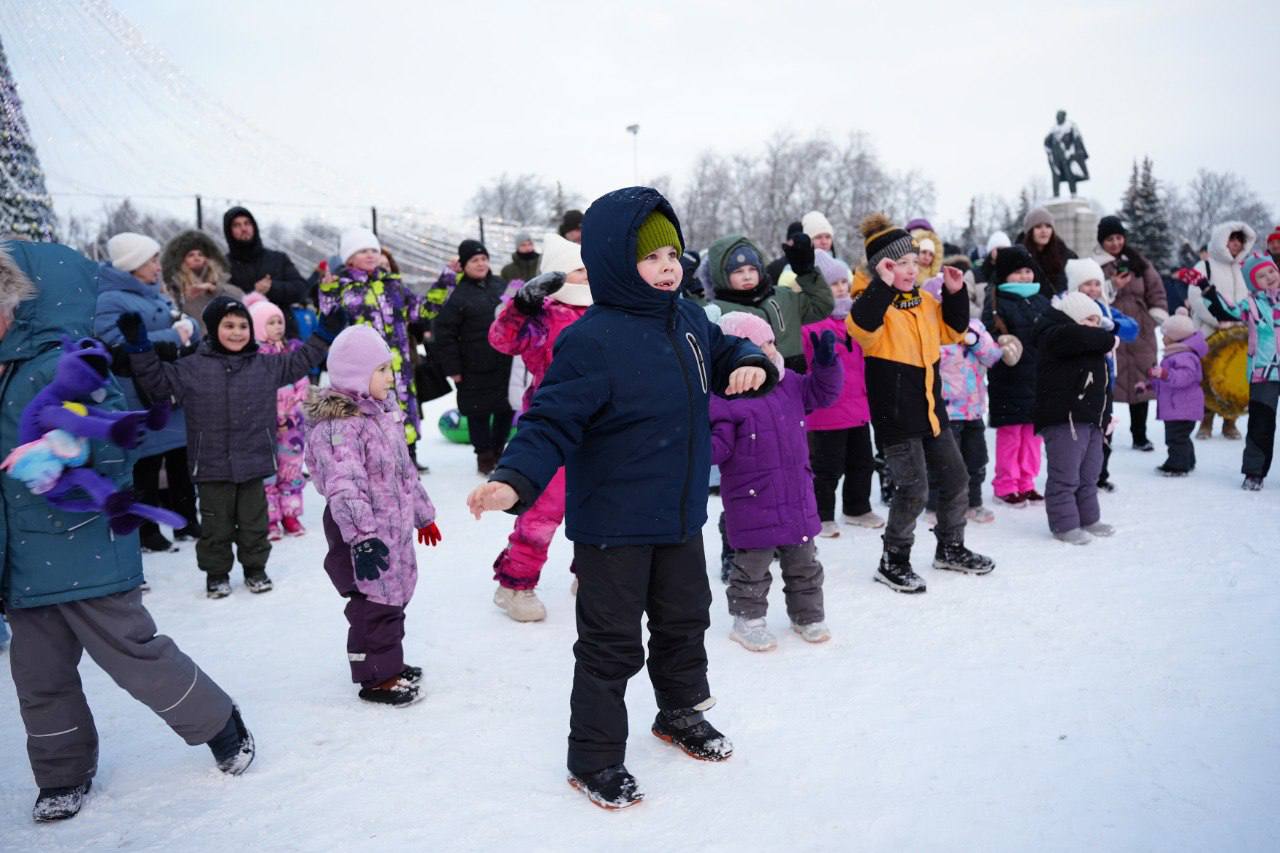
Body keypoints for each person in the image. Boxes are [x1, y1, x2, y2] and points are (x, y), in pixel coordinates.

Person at [466, 187, 776, 810]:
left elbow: (726, 350)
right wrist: (514, 479)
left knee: (685, 621)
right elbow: (550, 420)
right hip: (614, 526)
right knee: (610, 645)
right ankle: (596, 757)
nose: (668, 265)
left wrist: (750, 361)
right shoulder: (592, 339)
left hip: (681, 514)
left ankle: (680, 712)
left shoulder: (688, 317)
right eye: (650, 256)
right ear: (611, 260)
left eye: (673, 252)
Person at [1, 240, 254, 823]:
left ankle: (218, 721)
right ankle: (62, 773)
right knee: (39, 678)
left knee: (135, 657)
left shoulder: (65, 360)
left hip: (82, 544)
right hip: (20, 560)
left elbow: (120, 440)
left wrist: (67, 452)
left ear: (25, 303)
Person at [121, 296, 344, 597]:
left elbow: (299, 361)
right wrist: (140, 348)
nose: (237, 332)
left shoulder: (264, 366)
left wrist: (323, 336)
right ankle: (216, 574)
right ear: (213, 329)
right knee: (216, 528)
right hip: (211, 464)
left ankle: (255, 569)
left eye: (243, 326)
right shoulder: (192, 368)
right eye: (229, 326)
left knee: (254, 523)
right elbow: (158, 383)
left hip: (254, 461)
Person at [847, 212, 995, 594]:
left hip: (932, 411)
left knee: (956, 477)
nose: (911, 269)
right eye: (900, 264)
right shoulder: (872, 306)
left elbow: (953, 331)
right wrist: (880, 285)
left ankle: (950, 547)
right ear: (882, 268)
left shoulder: (925, 302)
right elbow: (861, 328)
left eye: (914, 261)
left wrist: (956, 292)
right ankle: (893, 559)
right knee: (913, 489)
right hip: (895, 417)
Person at [304, 325, 440, 706]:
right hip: (359, 531)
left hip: (391, 526)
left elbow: (403, 472)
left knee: (392, 596)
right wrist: (362, 538)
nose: (390, 377)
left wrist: (423, 514)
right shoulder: (338, 429)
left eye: (389, 368)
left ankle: (386, 663)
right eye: (380, 370)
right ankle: (377, 676)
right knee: (374, 602)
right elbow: (344, 486)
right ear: (354, 376)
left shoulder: (381, 416)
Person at [713, 312, 841, 651]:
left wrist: (826, 365)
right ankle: (747, 619)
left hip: (796, 493)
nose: (769, 350)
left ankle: (808, 615)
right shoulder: (726, 397)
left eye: (770, 341)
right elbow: (716, 448)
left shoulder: (790, 383)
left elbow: (823, 393)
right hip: (752, 499)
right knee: (752, 569)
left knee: (805, 563)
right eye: (757, 345)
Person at [486, 234, 592, 621]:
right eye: (581, 270)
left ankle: (591, 575)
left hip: (601, 429)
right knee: (544, 511)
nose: (590, 277)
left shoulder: (609, 309)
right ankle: (516, 584)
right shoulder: (545, 315)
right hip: (553, 430)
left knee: (597, 506)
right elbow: (502, 340)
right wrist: (522, 306)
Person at [93, 232, 201, 553]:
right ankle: (148, 530)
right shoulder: (110, 299)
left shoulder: (155, 294)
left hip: (167, 385)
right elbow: (115, 343)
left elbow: (181, 322)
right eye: (152, 259)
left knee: (179, 457)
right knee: (146, 464)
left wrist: (188, 327)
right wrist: (174, 333)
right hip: (135, 392)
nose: (158, 266)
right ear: (133, 264)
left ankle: (185, 518)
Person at [318, 229, 434, 463]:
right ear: (349, 258)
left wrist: (449, 278)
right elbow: (329, 321)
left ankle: (409, 463)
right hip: (363, 375)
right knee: (371, 429)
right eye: (362, 250)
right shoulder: (343, 287)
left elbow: (423, 309)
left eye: (374, 249)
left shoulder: (393, 285)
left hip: (398, 372)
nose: (370, 254)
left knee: (403, 424)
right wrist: (328, 292)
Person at [802, 250, 882, 535]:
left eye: (843, 283)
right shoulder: (811, 323)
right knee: (826, 468)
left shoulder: (854, 320)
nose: (841, 288)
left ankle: (856, 507)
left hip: (858, 410)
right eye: (833, 284)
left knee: (863, 463)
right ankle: (821, 514)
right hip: (827, 412)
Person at [1032, 292, 1116, 545]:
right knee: (1065, 475)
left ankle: (1089, 518)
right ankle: (1064, 524)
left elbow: (1103, 387)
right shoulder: (1057, 337)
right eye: (1089, 319)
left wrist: (1106, 416)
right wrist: (1107, 338)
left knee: (1089, 475)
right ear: (1073, 318)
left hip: (1091, 419)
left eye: (1097, 320)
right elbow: (1080, 336)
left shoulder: (1093, 347)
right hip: (1063, 419)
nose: (1095, 326)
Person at [1194, 254, 1280, 490]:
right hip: (1264, 373)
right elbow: (1225, 311)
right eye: (1261, 276)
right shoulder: (1251, 305)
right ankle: (1254, 472)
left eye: (1271, 271)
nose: (1269, 277)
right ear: (1253, 284)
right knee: (1262, 422)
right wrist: (1206, 289)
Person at [433, 239, 514, 474]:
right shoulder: (456, 293)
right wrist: (453, 368)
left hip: (504, 361)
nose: (481, 264)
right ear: (464, 264)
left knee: (505, 410)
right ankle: (484, 457)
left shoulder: (502, 285)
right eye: (474, 260)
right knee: (478, 411)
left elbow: (517, 313)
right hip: (472, 365)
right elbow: (444, 334)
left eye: (484, 259)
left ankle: (499, 452)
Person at [983, 245, 1053, 506]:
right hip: (1009, 380)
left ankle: (1027, 481)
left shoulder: (1041, 301)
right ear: (1004, 275)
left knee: (1034, 435)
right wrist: (1000, 341)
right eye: (1017, 272)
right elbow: (986, 336)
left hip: (1038, 379)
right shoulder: (997, 302)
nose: (1024, 276)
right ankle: (1005, 484)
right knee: (1011, 435)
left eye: (1028, 271)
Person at [1093, 216, 1169, 451]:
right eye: (1109, 239)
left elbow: (1156, 290)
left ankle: (1140, 434)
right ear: (1102, 241)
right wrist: (1113, 285)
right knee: (1107, 383)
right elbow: (1091, 294)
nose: (1115, 243)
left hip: (1139, 329)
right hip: (1110, 326)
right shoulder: (1095, 264)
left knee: (1142, 380)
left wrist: (1155, 316)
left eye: (1118, 237)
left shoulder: (1139, 262)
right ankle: (1107, 434)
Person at [928, 312, 1013, 524]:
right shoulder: (930, 327)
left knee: (975, 459)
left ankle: (973, 503)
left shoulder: (974, 326)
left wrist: (975, 339)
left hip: (973, 409)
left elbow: (992, 356)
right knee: (945, 462)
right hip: (945, 411)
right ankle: (936, 505)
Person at [1063, 258, 1139, 492]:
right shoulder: (1066, 309)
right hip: (1077, 382)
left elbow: (1133, 329)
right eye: (1087, 284)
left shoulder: (1106, 309)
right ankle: (1075, 475)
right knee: (1078, 431)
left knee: (1104, 428)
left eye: (1097, 283)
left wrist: (1112, 325)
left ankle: (1099, 474)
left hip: (1104, 382)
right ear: (1075, 287)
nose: (1093, 289)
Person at [246, 294, 309, 539]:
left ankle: (290, 515)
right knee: (267, 472)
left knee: (291, 469)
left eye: (279, 322)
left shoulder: (291, 352)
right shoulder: (253, 357)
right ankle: (270, 519)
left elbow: (302, 379)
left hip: (292, 425)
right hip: (265, 424)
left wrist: (297, 401)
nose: (277, 327)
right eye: (270, 323)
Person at [1187, 221, 1256, 439]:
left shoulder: (1244, 268)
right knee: (1208, 376)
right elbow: (1196, 298)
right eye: (1231, 239)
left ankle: (1230, 421)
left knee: (1235, 375)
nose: (1235, 244)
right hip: (1210, 331)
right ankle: (1205, 421)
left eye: (1239, 241)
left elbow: (1252, 298)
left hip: (1240, 335)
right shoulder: (1204, 266)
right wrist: (1218, 320)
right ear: (1221, 240)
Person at [222, 206, 311, 339]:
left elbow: (301, 289)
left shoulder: (278, 259)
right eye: (237, 225)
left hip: (283, 337)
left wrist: (272, 288)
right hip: (241, 339)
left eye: (247, 223)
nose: (244, 228)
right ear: (229, 231)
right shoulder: (224, 265)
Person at [1141, 310, 1207, 476]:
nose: (1162, 338)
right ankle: (1188, 462)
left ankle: (1177, 466)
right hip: (1178, 406)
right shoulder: (1176, 354)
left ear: (1176, 336)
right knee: (1181, 436)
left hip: (1182, 407)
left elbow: (1185, 378)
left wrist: (1164, 374)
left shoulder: (1184, 356)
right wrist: (1149, 385)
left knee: (1176, 438)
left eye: (1165, 335)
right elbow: (1166, 381)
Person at [161, 229, 245, 333]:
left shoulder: (220, 280)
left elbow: (240, 298)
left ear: (207, 259)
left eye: (200, 254)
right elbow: (171, 315)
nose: (196, 258)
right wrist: (184, 299)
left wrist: (214, 288)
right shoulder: (174, 286)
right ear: (182, 260)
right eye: (191, 255)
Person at [1019, 207, 1077, 297]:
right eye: (1038, 227)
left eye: (1048, 226)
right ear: (1029, 231)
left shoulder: (1067, 255)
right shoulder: (1019, 257)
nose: (1044, 231)